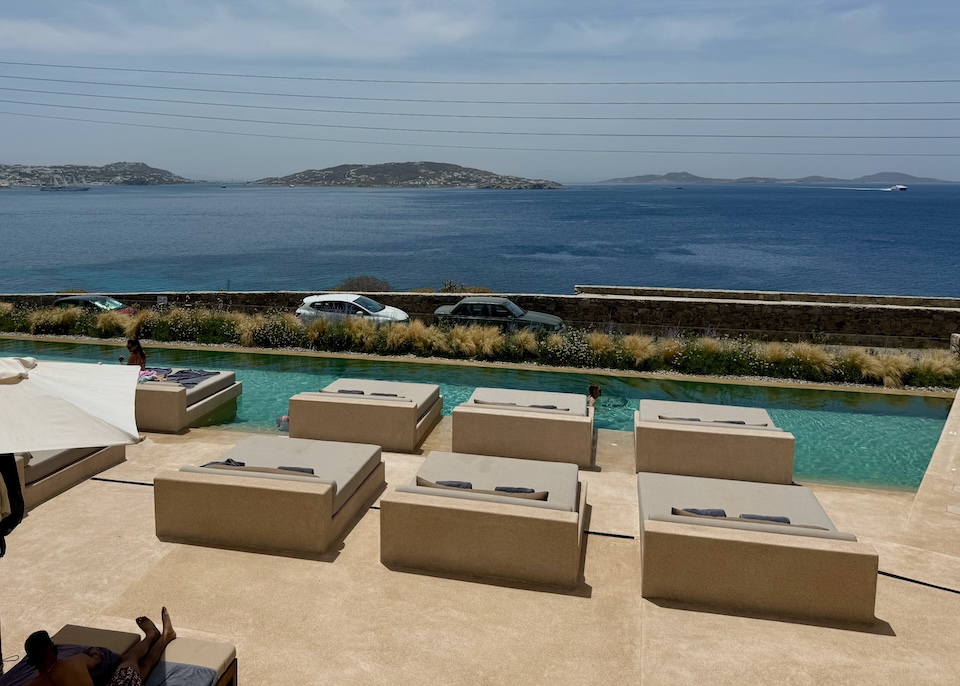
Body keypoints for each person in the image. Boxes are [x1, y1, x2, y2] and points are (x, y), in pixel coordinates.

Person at [25, 608, 176, 686]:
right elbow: (96, 660)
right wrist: (94, 653)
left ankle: (155, 636)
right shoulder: (74, 663)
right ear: (49, 650)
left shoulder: (31, 685)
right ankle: (161, 636)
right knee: (129, 663)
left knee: (135, 668)